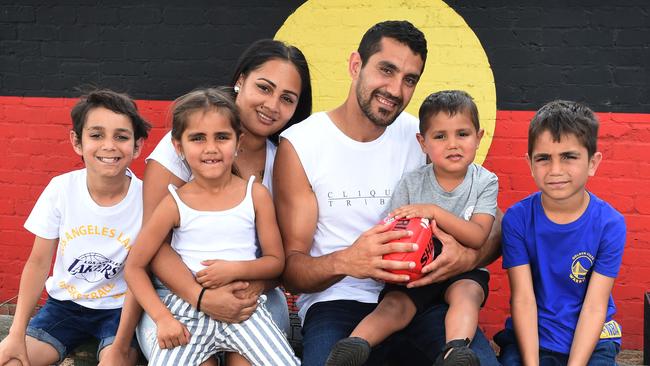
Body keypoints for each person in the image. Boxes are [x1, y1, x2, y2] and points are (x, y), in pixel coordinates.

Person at [274, 20, 501, 365]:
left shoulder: (425, 137)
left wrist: (467, 258)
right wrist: (348, 260)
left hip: (423, 296)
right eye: (386, 70)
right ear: (355, 65)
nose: (395, 89)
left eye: (409, 79)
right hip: (338, 304)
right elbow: (292, 270)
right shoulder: (303, 144)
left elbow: (494, 222)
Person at [135, 39, 312, 361]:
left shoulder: (285, 159)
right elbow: (152, 243)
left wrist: (251, 286)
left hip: (251, 295)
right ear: (240, 81)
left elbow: (280, 253)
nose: (272, 105)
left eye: (287, 99)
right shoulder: (188, 144)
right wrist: (201, 297)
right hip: (176, 295)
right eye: (264, 87)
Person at [327, 90, 498, 366]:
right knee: (395, 305)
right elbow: (392, 227)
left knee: (466, 295)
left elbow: (478, 237)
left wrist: (433, 212)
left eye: (462, 134)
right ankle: (354, 345)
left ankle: (455, 352)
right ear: (423, 142)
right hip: (416, 267)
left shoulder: (485, 181)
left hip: (462, 270)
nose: (452, 144)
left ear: (479, 137)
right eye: (440, 136)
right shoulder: (411, 182)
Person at [0, 89, 151, 366]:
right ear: (77, 141)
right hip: (63, 308)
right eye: (96, 135)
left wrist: (119, 346)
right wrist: (16, 333)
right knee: (11, 360)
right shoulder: (62, 188)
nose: (109, 145)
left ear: (138, 145)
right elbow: (37, 262)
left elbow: (145, 270)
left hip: (120, 309)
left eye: (121, 136)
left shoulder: (147, 198)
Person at [494, 100, 625, 365]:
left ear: (592, 162)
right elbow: (523, 299)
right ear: (530, 163)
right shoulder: (517, 219)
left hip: (593, 338)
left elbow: (594, 306)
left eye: (569, 156)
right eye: (544, 158)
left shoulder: (610, 224)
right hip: (532, 336)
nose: (555, 170)